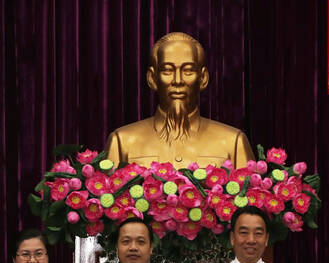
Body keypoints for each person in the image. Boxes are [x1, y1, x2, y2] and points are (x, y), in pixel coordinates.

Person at [105, 32, 254, 170]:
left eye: (188, 70)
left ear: (203, 78)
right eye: (167, 70)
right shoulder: (122, 142)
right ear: (152, 78)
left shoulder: (233, 142)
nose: (178, 81)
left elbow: (250, 195)